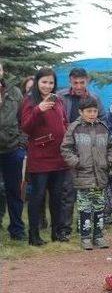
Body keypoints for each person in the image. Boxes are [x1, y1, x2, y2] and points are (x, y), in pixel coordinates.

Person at [20, 67, 69, 245]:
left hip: (59, 156)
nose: (47, 86)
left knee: (57, 196)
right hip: (40, 157)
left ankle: (56, 233)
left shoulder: (58, 100)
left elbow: (64, 121)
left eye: (51, 82)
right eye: (44, 82)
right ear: (37, 82)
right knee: (38, 197)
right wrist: (38, 110)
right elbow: (25, 126)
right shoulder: (29, 100)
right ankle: (34, 236)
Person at [60, 97, 112, 249]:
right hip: (83, 175)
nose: (92, 114)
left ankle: (98, 236)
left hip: (100, 176)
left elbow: (110, 147)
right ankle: (85, 237)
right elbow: (65, 148)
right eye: (89, 111)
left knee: (99, 207)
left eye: (95, 111)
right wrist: (76, 162)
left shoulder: (103, 128)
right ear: (81, 112)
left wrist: (109, 160)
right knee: (84, 207)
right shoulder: (75, 128)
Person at [58, 67, 107, 238]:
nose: (78, 86)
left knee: (89, 193)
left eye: (82, 82)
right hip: (70, 149)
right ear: (70, 81)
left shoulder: (95, 98)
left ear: (88, 81)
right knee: (68, 192)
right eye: (75, 82)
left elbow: (103, 121)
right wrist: (73, 158)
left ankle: (85, 228)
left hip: (90, 152)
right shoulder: (61, 97)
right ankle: (65, 229)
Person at [0, 62, 27, 241]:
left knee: (14, 192)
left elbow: (23, 120)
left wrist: (21, 146)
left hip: (12, 150)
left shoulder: (15, 92)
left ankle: (17, 230)